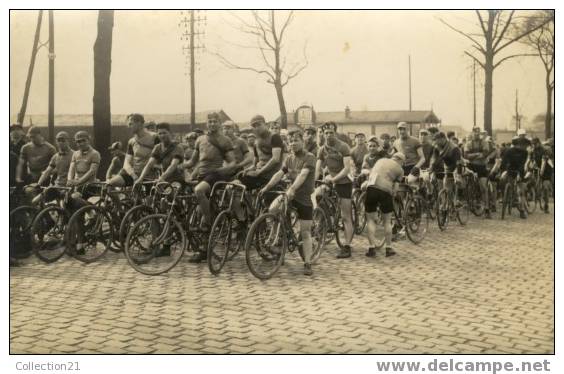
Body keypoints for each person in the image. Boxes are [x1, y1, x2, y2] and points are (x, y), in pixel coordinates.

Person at [259, 131, 317, 276]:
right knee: (272, 209)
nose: (293, 143)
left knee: (305, 232)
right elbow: (279, 174)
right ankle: (278, 242)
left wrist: (292, 188)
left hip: (303, 197)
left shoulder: (309, 157)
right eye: (290, 141)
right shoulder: (289, 158)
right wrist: (266, 187)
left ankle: (307, 262)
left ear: (302, 141)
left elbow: (303, 175)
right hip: (289, 194)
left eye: (296, 140)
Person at [182, 112, 236, 262]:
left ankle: (210, 218)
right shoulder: (200, 139)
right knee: (198, 217)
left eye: (215, 121)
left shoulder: (225, 141)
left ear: (219, 123)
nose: (212, 124)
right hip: (201, 175)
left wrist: (222, 170)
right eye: (209, 121)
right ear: (206, 123)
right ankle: (204, 250)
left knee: (198, 191)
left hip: (215, 175)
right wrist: (180, 166)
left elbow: (232, 163)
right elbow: (192, 161)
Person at [315, 121, 354, 259]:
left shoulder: (343, 146)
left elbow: (346, 168)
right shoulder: (322, 149)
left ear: (335, 132)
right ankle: (324, 221)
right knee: (317, 196)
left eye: (331, 132)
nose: (328, 135)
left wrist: (334, 179)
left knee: (345, 216)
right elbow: (317, 167)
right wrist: (317, 178)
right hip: (330, 180)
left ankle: (347, 246)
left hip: (343, 181)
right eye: (326, 133)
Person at [363, 152, 406, 258]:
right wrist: (393, 195)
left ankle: (371, 248)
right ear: (401, 161)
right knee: (387, 221)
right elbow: (395, 189)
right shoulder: (400, 170)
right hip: (385, 191)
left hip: (371, 188)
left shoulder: (380, 160)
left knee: (370, 220)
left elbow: (371, 174)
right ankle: (388, 248)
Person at [107, 113, 160, 187]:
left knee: (146, 198)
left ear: (139, 123)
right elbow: (126, 163)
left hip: (150, 175)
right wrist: (134, 176)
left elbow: (163, 157)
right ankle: (123, 199)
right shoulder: (131, 141)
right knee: (109, 184)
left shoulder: (154, 137)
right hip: (133, 174)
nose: (129, 126)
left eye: (131, 124)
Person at [238, 115, 284, 190]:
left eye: (259, 125)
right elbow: (255, 163)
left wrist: (259, 172)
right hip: (259, 173)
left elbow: (275, 159)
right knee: (239, 177)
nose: (257, 128)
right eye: (254, 126)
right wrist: (248, 169)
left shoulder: (274, 137)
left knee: (244, 181)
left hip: (271, 175)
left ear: (265, 125)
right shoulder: (256, 141)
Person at [34, 131, 74, 205]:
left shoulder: (75, 155)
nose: (60, 142)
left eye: (63, 140)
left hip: (69, 188)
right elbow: (47, 171)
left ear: (68, 141)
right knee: (36, 201)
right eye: (58, 140)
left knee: (63, 206)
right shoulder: (55, 157)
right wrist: (39, 183)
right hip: (56, 186)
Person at [66, 131, 101, 210]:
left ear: (88, 140)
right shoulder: (75, 154)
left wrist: (79, 181)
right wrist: (69, 180)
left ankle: (91, 212)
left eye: (83, 140)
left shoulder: (95, 154)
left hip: (89, 185)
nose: (81, 143)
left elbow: (92, 171)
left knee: (76, 201)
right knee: (66, 201)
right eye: (78, 141)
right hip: (77, 185)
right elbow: (71, 168)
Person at [464, 126, 492, 218]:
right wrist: (477, 154)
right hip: (471, 167)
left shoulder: (484, 142)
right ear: (472, 133)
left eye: (478, 132)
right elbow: (466, 156)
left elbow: (485, 154)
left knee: (483, 187)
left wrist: (473, 156)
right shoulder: (468, 143)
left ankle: (487, 209)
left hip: (481, 167)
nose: (476, 134)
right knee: (467, 184)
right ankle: (470, 202)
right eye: (474, 132)